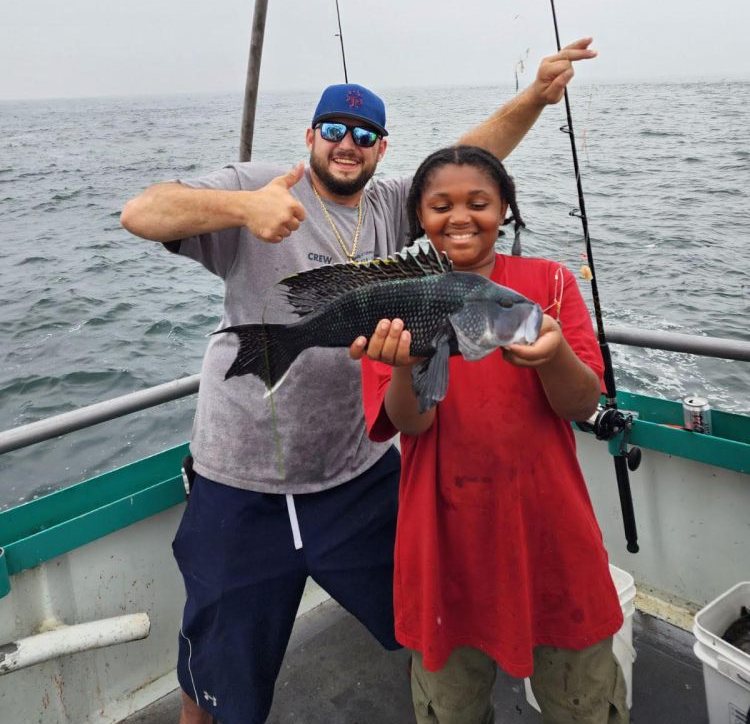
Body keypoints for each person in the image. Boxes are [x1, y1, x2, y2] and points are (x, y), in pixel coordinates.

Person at [119, 38, 597, 724]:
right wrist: (243, 210)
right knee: (219, 669)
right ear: (312, 135)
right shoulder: (258, 184)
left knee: (424, 618)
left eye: (366, 135)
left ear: (381, 148)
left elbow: (466, 163)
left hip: (355, 475)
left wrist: (536, 95)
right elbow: (142, 212)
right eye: (336, 130)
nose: (350, 144)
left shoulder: (387, 205)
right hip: (241, 482)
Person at [351, 144, 628, 724]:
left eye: (479, 202)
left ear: (504, 208)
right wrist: (402, 362)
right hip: (442, 540)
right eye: (440, 204)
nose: (460, 217)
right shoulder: (397, 299)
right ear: (419, 216)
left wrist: (552, 357)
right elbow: (411, 422)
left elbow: (581, 403)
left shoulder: (549, 283)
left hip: (551, 531)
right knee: (451, 709)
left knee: (584, 705)